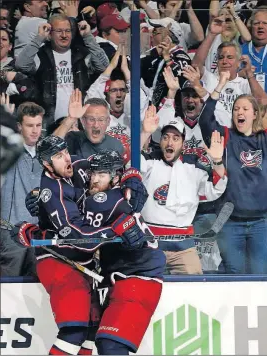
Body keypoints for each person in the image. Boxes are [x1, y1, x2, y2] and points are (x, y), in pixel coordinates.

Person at [12, 135, 149, 355]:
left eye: (65, 151)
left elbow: (111, 163)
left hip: (82, 265)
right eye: (58, 156)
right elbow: (81, 240)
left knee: (91, 332)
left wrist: (132, 176)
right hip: (58, 261)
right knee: (74, 331)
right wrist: (115, 230)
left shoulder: (75, 163)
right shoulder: (53, 194)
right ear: (47, 164)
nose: (66, 158)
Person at [81, 149, 165, 355]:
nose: (94, 180)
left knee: (111, 345)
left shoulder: (102, 200)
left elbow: (79, 232)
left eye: (101, 175)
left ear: (114, 178)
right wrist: (132, 173)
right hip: (124, 277)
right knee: (103, 343)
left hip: (139, 279)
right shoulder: (120, 194)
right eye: (93, 174)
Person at [139, 106, 228, 274]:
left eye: (175, 138)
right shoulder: (150, 161)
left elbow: (216, 189)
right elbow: (132, 165)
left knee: (195, 288)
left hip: (183, 247)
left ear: (183, 143)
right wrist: (144, 133)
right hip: (150, 244)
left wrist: (217, 161)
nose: (170, 142)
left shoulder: (194, 167)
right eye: (165, 137)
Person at [198, 70, 267, 274]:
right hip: (230, 222)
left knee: (260, 274)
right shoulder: (225, 136)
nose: (239, 112)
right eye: (236, 109)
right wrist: (219, 85)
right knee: (233, 273)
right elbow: (205, 120)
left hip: (261, 222)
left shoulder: (263, 139)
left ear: (254, 114)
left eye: (245, 108)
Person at [15, 13, 109, 126]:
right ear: (50, 34)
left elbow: (103, 66)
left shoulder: (82, 54)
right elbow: (21, 65)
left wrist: (88, 36)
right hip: (49, 123)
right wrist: (39, 38)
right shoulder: (41, 56)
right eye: (59, 31)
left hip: (79, 123)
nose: (64, 35)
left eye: (68, 31)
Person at [192, 15, 267, 127]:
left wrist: (249, 74)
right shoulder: (210, 78)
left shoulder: (244, 84)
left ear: (238, 62)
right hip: (212, 132)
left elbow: (262, 102)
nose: (224, 61)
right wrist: (212, 34)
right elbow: (196, 65)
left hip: (237, 135)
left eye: (230, 57)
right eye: (221, 57)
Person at [86, 46, 149, 163]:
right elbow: (91, 96)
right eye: (114, 90)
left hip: (131, 164)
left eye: (122, 90)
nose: (119, 94)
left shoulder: (133, 115)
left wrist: (126, 70)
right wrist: (110, 67)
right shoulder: (101, 118)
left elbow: (141, 99)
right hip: (105, 166)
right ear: (106, 94)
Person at [1, 101, 44, 225]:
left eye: (38, 125)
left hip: (38, 230)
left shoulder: (46, 152)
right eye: (30, 125)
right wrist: (5, 123)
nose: (35, 130)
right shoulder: (10, 150)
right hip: (9, 230)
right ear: (19, 126)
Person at [53, 90, 124, 160]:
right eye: (91, 119)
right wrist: (71, 118)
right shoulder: (73, 139)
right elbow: (50, 147)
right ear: (83, 121)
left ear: (108, 121)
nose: (96, 125)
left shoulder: (115, 146)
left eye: (101, 120)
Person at [206, 1, 251, 74]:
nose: (225, 17)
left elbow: (247, 38)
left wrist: (234, 14)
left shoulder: (236, 38)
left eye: (228, 19)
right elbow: (213, 14)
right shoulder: (214, 34)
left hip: (232, 81)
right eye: (222, 14)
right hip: (212, 80)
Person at [241, 8, 267, 92]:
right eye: (256, 23)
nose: (260, 26)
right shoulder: (239, 50)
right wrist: (239, 74)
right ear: (250, 27)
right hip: (245, 102)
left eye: (265, 23)